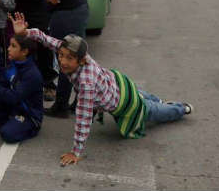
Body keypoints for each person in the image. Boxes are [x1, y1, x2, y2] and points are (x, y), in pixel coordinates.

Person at [10, 12, 193, 166]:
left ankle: (181, 108)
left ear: (81, 60)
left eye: (69, 58)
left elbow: (83, 117)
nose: (62, 61)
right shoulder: (72, 50)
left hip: (125, 101)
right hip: (118, 83)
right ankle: (159, 101)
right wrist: (26, 32)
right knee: (144, 96)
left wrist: (76, 152)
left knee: (154, 111)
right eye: (61, 56)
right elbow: (46, 39)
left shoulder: (86, 83)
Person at [0, 32, 43, 143]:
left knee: (7, 134)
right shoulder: (13, 64)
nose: (8, 49)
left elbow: (15, 97)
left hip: (28, 114)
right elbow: (2, 82)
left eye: (13, 46)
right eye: (9, 45)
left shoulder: (32, 74)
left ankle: (32, 127)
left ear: (24, 52)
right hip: (15, 107)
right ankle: (3, 121)